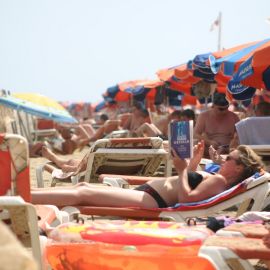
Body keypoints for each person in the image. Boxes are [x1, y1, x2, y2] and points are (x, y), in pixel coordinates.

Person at [31, 142, 264, 208]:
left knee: (83, 191)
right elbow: (190, 189)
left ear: (239, 168)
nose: (223, 159)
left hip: (152, 201)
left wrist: (183, 169)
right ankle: (25, 193)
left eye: (229, 158)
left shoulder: (221, 181)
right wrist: (191, 165)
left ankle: (24, 197)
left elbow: (187, 200)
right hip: (150, 194)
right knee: (79, 187)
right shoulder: (218, 179)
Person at [194, 92, 239, 157]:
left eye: (226, 108)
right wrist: (209, 142)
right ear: (213, 106)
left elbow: (241, 135)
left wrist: (234, 141)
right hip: (209, 153)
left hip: (228, 153)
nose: (224, 111)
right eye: (221, 109)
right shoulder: (204, 116)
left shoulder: (234, 117)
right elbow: (195, 134)